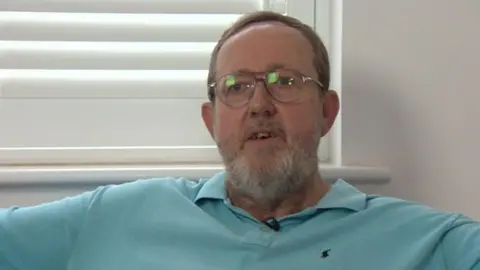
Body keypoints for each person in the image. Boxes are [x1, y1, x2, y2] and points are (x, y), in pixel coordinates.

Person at [0, 11, 479, 270]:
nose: (259, 103)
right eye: (237, 86)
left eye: (285, 82)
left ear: (327, 113)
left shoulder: (429, 243)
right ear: (212, 121)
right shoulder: (112, 217)